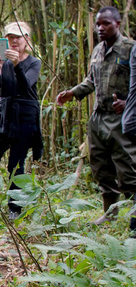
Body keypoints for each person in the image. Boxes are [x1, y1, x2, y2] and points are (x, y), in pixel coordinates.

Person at [56, 6, 136, 234]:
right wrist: (73, 92)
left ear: (118, 24)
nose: (100, 28)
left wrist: (129, 102)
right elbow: (91, 80)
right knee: (101, 167)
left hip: (122, 118)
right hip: (98, 117)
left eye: (106, 24)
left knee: (127, 167)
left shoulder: (130, 49)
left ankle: (135, 212)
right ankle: (109, 213)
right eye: (98, 24)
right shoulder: (98, 50)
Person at [0, 21, 42, 220]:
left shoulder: (34, 63)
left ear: (26, 40)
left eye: (18, 37)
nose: (13, 41)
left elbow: (26, 84)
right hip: (3, 113)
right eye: (10, 37)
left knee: (16, 164)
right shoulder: (4, 60)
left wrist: (16, 64)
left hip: (25, 115)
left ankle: (15, 209)